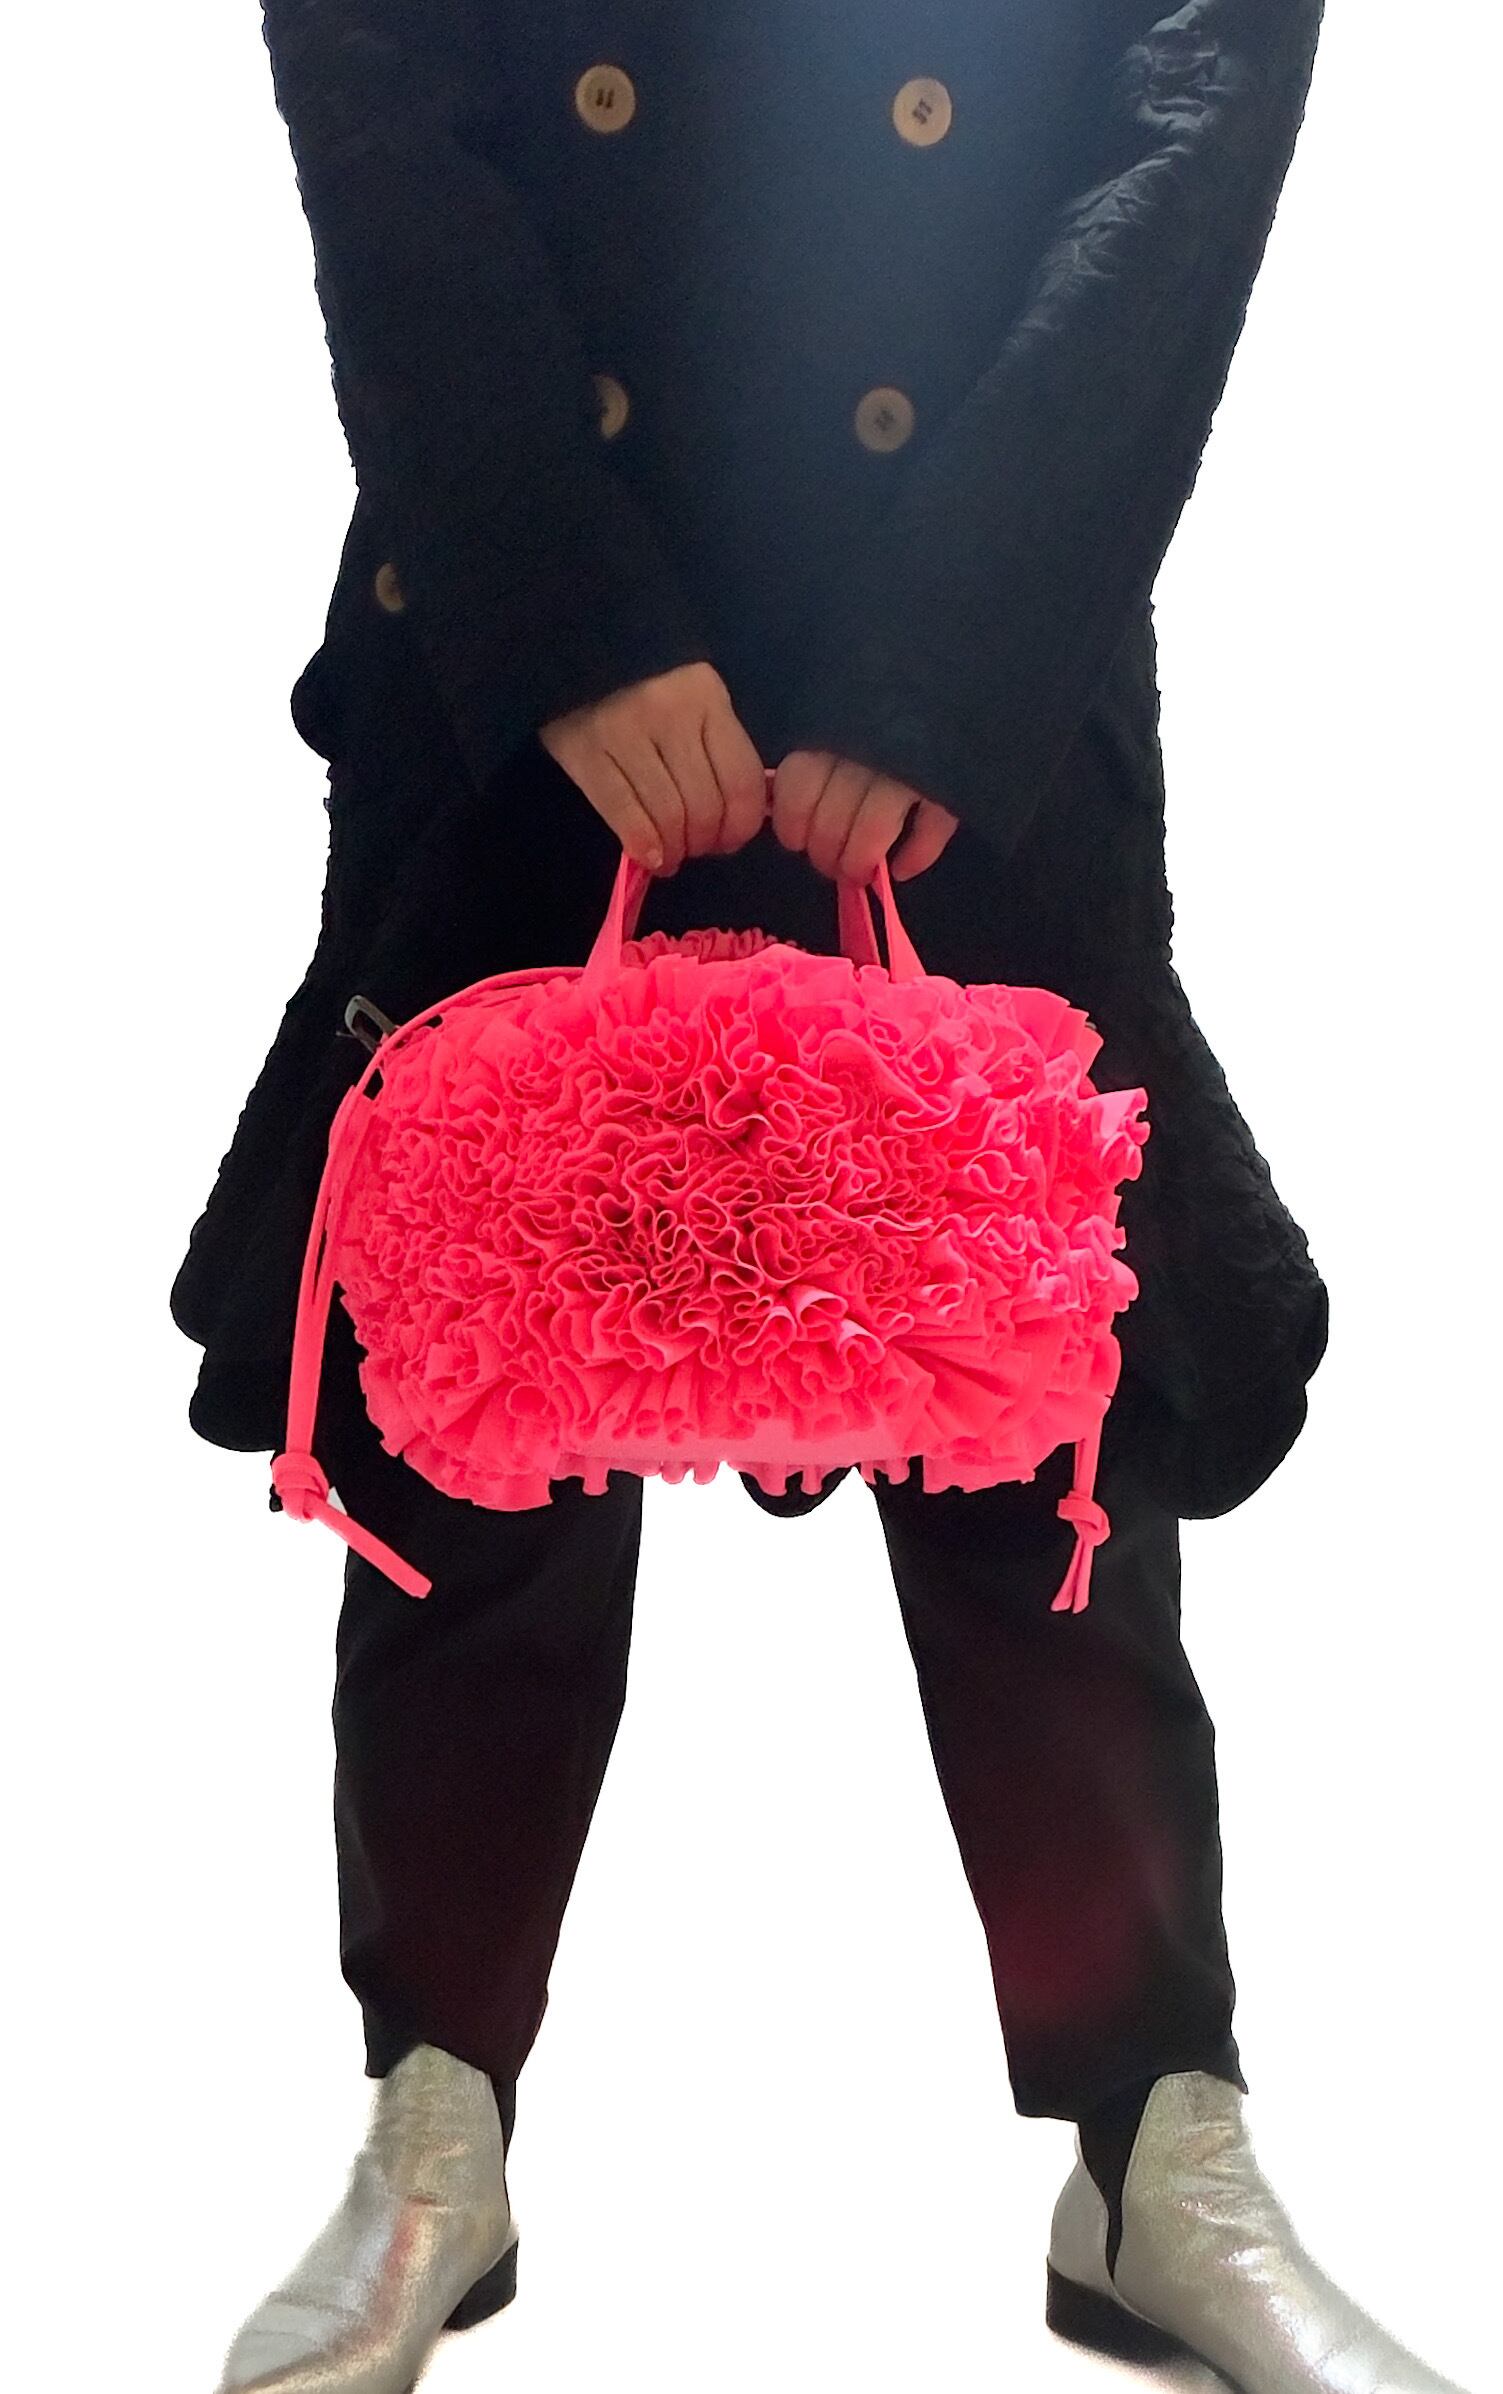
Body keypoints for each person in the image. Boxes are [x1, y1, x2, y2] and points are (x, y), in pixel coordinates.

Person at [173, 5, 1470, 2390]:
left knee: (1023, 1387)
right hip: (531, 589)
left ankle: (1151, 2147)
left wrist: (968, 633)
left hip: (960, 576)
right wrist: (555, 606)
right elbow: (376, 82)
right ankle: (432, 2125)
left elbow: (1190, 91)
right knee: (488, 1354)